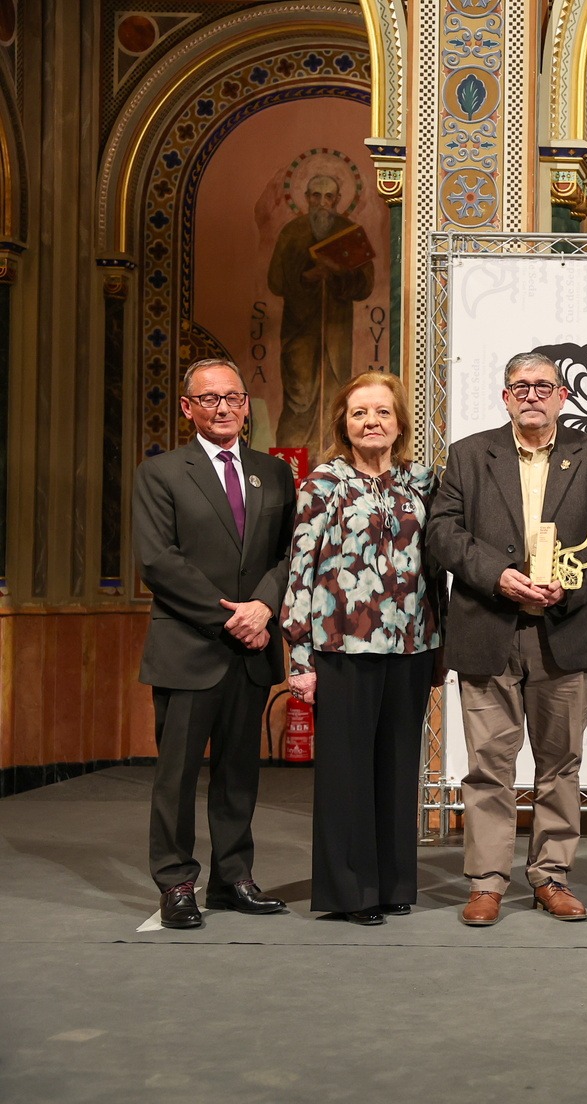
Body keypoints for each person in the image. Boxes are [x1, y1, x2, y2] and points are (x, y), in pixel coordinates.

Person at [426, 351, 587, 926]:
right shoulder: (469, 454)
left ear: (562, 396)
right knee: (489, 763)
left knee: (560, 762)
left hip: (567, 628)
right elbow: (442, 531)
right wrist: (497, 575)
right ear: (505, 395)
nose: (531, 395)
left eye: (543, 386)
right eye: (520, 386)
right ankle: (487, 882)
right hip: (489, 625)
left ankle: (550, 876)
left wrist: (570, 584)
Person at [133, 357, 296, 929]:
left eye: (232, 397)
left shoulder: (274, 473)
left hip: (251, 649)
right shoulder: (160, 474)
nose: (222, 407)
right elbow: (158, 560)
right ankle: (177, 882)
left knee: (238, 773)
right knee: (175, 776)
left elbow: (288, 554)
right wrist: (230, 617)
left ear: (247, 404)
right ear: (188, 408)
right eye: (209, 399)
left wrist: (265, 607)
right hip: (189, 647)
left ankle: (233, 878)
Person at [281, 372, 444, 925]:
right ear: (343, 424)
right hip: (341, 646)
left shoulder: (422, 481)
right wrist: (299, 658)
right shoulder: (322, 484)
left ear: (399, 423)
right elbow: (300, 570)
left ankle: (395, 881)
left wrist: (439, 647)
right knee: (347, 772)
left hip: (413, 646)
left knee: (399, 768)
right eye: (359, 414)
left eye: (381, 412)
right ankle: (350, 891)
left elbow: (436, 568)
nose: (371, 422)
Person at [267, 173, 374, 454]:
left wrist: (339, 274)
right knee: (299, 400)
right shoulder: (292, 233)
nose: (323, 203)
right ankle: (290, 469)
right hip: (299, 333)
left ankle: (332, 464)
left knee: (336, 398)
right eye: (316, 196)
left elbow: (365, 286)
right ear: (306, 198)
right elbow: (275, 281)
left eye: (329, 197)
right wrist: (307, 277)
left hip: (337, 335)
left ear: (338, 200)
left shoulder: (350, 233)